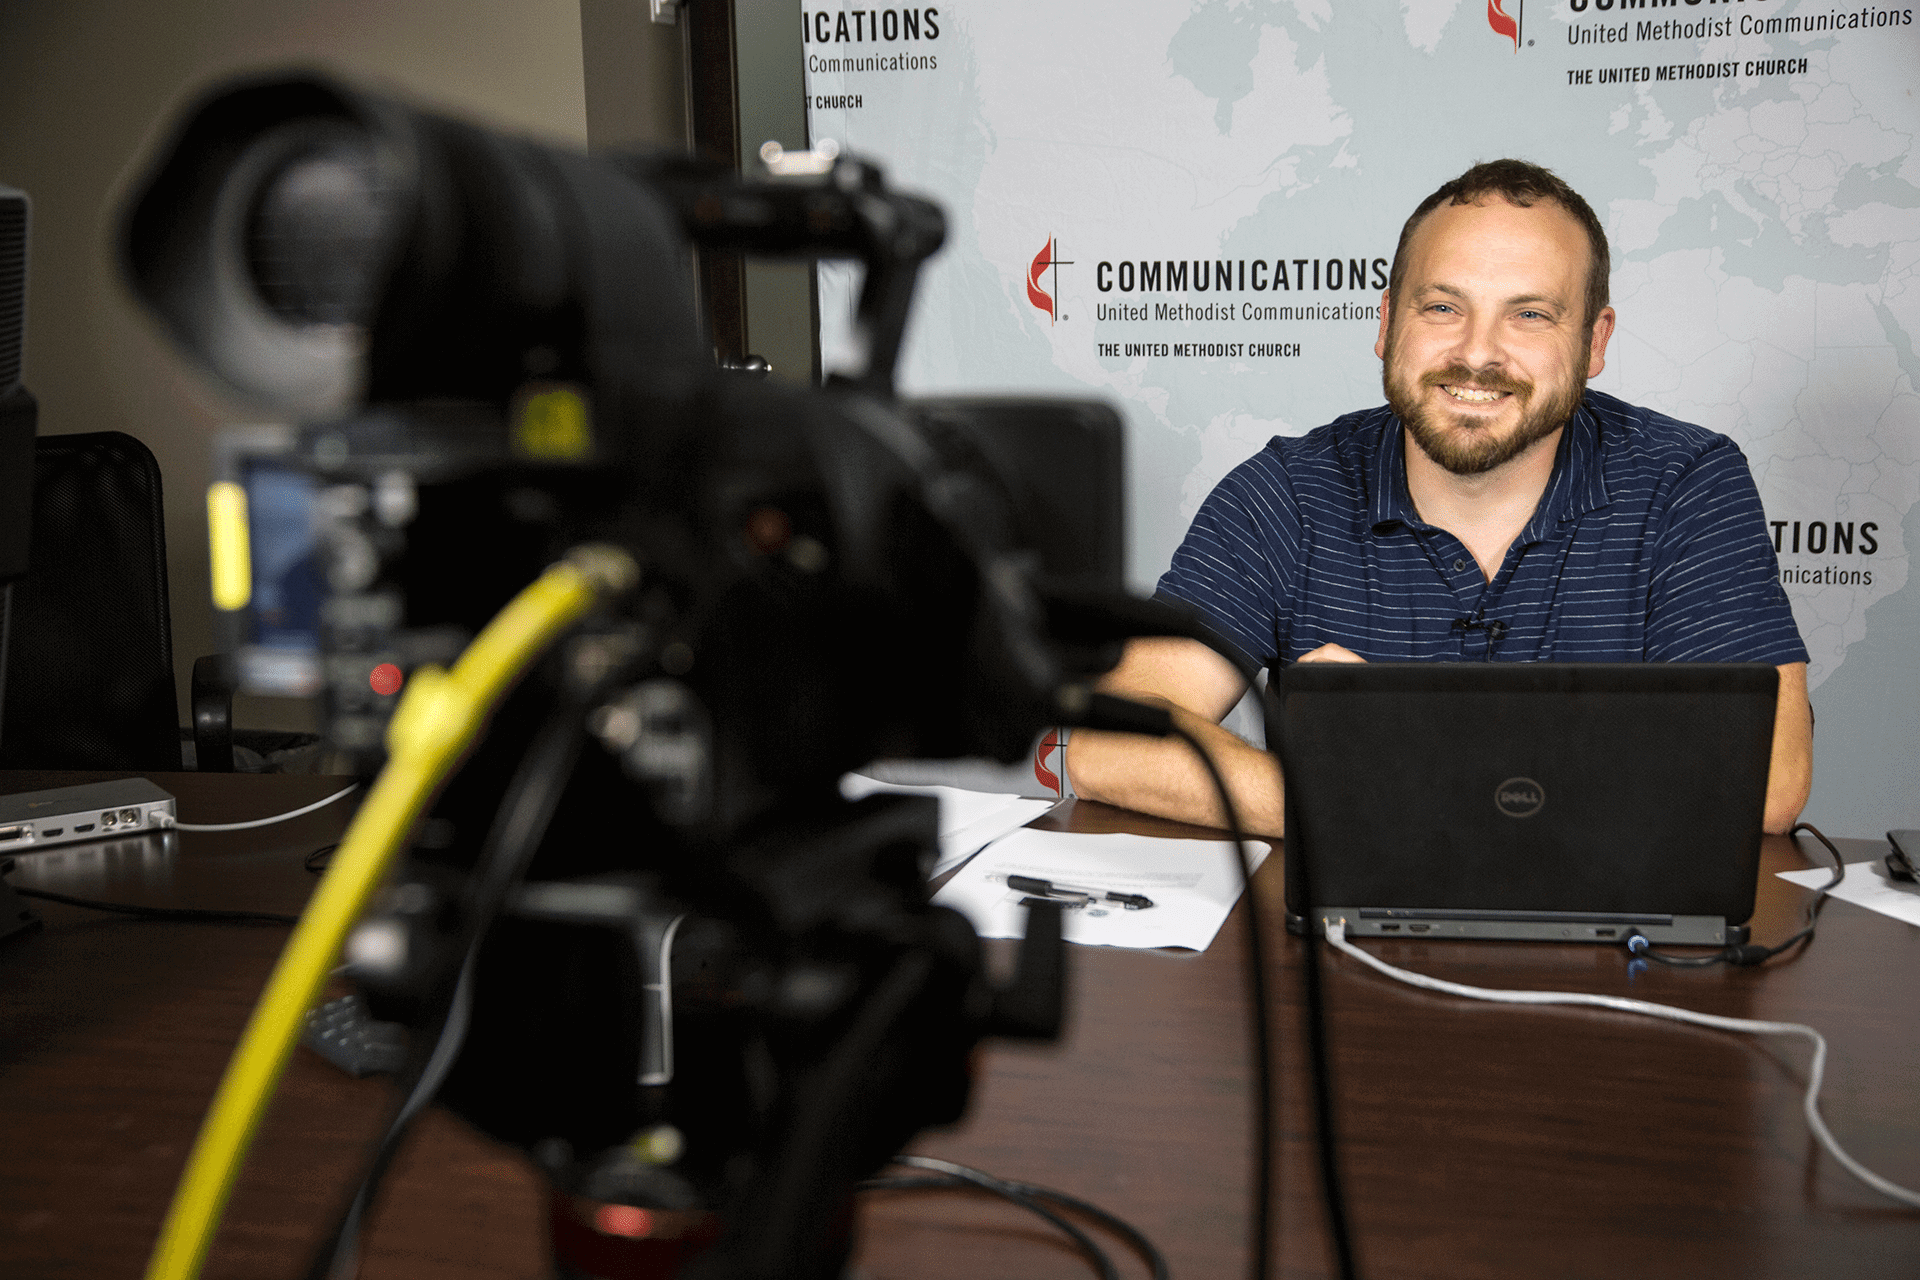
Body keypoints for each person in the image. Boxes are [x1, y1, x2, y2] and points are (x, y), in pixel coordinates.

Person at [1065, 159, 1813, 836]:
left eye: (1530, 314)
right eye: (1443, 308)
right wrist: (1354, 799)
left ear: (1593, 341)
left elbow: (1768, 781)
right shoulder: (1288, 492)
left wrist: (1405, 766)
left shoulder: (1687, 483)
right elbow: (1107, 745)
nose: (1478, 353)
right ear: (1388, 323)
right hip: (1340, 965)